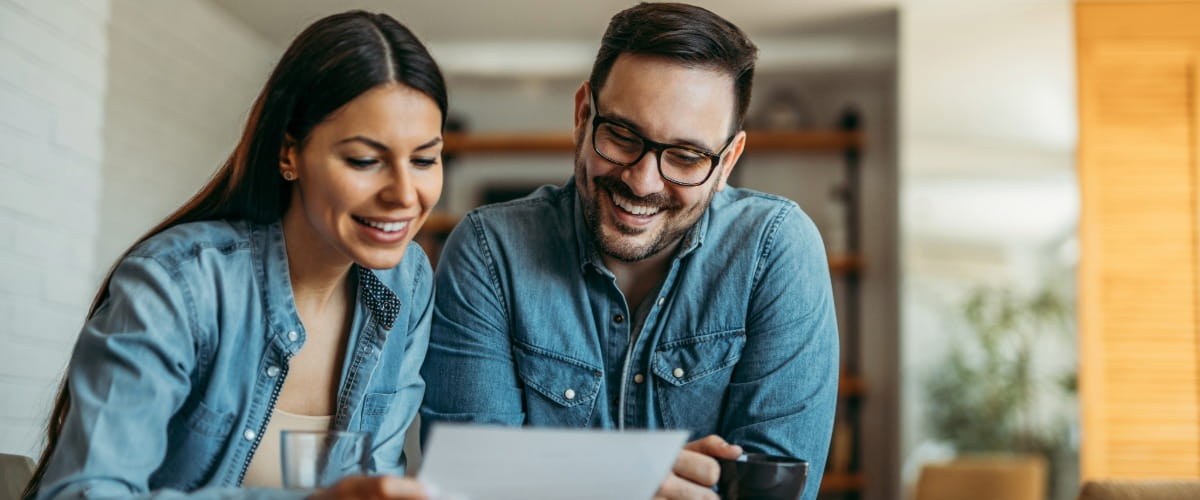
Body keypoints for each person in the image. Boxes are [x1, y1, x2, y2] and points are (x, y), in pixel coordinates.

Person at [420, 3, 839, 500]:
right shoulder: (490, 252)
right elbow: (467, 485)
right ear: (582, 115)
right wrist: (630, 478)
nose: (642, 182)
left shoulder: (776, 250)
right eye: (620, 135)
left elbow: (774, 492)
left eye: (686, 156)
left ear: (728, 162)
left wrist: (550, 476)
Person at [25, 10, 445, 500]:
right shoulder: (178, 283)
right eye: (364, 161)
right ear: (290, 152)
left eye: (423, 159)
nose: (404, 194)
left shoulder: (408, 280)